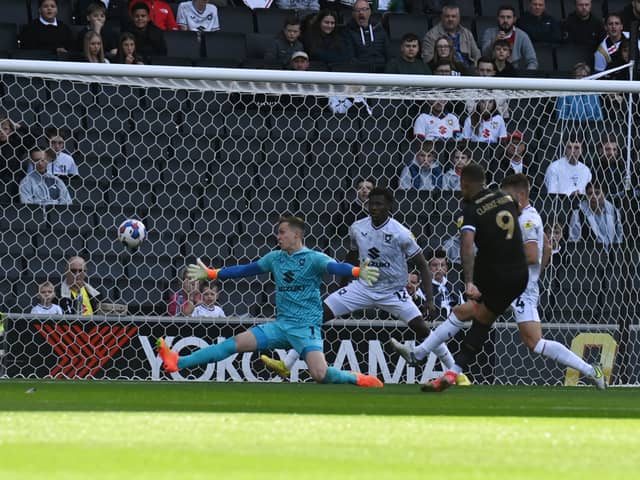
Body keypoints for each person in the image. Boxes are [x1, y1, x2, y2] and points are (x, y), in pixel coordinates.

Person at [259, 189, 469, 386]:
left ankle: (456, 374)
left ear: (390, 207)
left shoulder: (401, 233)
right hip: (362, 287)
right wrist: (343, 283)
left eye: (379, 204)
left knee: (422, 329)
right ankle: (286, 365)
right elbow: (351, 255)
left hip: (393, 291)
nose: (374, 207)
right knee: (315, 315)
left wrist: (430, 300)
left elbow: (422, 264)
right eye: (371, 204)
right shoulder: (358, 228)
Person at [156, 216, 384, 388]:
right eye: (278, 233)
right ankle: (178, 361)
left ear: (297, 235)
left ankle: (357, 378)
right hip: (280, 326)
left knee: (320, 375)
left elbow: (335, 267)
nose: (278, 236)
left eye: (282, 232)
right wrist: (213, 274)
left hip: (306, 328)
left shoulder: (314, 258)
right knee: (232, 344)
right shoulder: (275, 259)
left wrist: (356, 271)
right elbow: (245, 270)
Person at [390, 163, 529, 392]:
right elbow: (518, 208)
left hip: (497, 274)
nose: (461, 192)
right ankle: (437, 363)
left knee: (480, 320)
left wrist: (469, 281)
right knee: (469, 314)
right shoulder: (504, 197)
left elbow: (466, 245)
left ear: (465, 184)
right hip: (519, 274)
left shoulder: (472, 208)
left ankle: (436, 363)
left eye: (462, 187)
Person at [501, 174, 606, 388]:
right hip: (510, 285)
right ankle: (432, 356)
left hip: (520, 288)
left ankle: (590, 370)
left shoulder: (527, 218)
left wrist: (530, 276)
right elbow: (547, 247)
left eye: (506, 195)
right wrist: (536, 274)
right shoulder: (519, 216)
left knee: (535, 343)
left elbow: (535, 253)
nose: (504, 200)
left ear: (518, 194)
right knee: (469, 312)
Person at [422, 4, 480, 69]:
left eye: (453, 16)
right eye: (447, 16)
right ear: (442, 17)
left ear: (459, 18)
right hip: (444, 70)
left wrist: (476, 66)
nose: (450, 19)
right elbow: (427, 59)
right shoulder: (431, 35)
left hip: (467, 70)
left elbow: (477, 54)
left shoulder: (467, 33)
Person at [481, 5, 538, 70]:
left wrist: (525, 77)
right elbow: (484, 55)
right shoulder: (489, 33)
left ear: (514, 19)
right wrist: (494, 41)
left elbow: (532, 61)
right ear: (498, 18)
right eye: (502, 17)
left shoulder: (522, 36)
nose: (505, 20)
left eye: (508, 17)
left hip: (515, 73)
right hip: (492, 73)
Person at [568, 181, 623, 247]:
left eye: (597, 193)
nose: (593, 196)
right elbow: (574, 241)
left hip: (612, 254)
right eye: (590, 194)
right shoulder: (578, 214)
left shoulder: (614, 211)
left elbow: (619, 237)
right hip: (589, 254)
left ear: (604, 194)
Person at [345, 0, 389, 67]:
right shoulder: (348, 32)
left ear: (369, 12)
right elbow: (350, 58)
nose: (361, 12)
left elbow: (389, 54)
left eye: (364, 9)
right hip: (360, 72)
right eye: (357, 10)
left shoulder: (379, 30)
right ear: (353, 14)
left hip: (381, 71)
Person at [428, 249, 463, 318]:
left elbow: (462, 307)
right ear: (428, 267)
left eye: (442, 265)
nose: (439, 268)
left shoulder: (454, 288)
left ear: (446, 268)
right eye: (435, 265)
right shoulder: (423, 288)